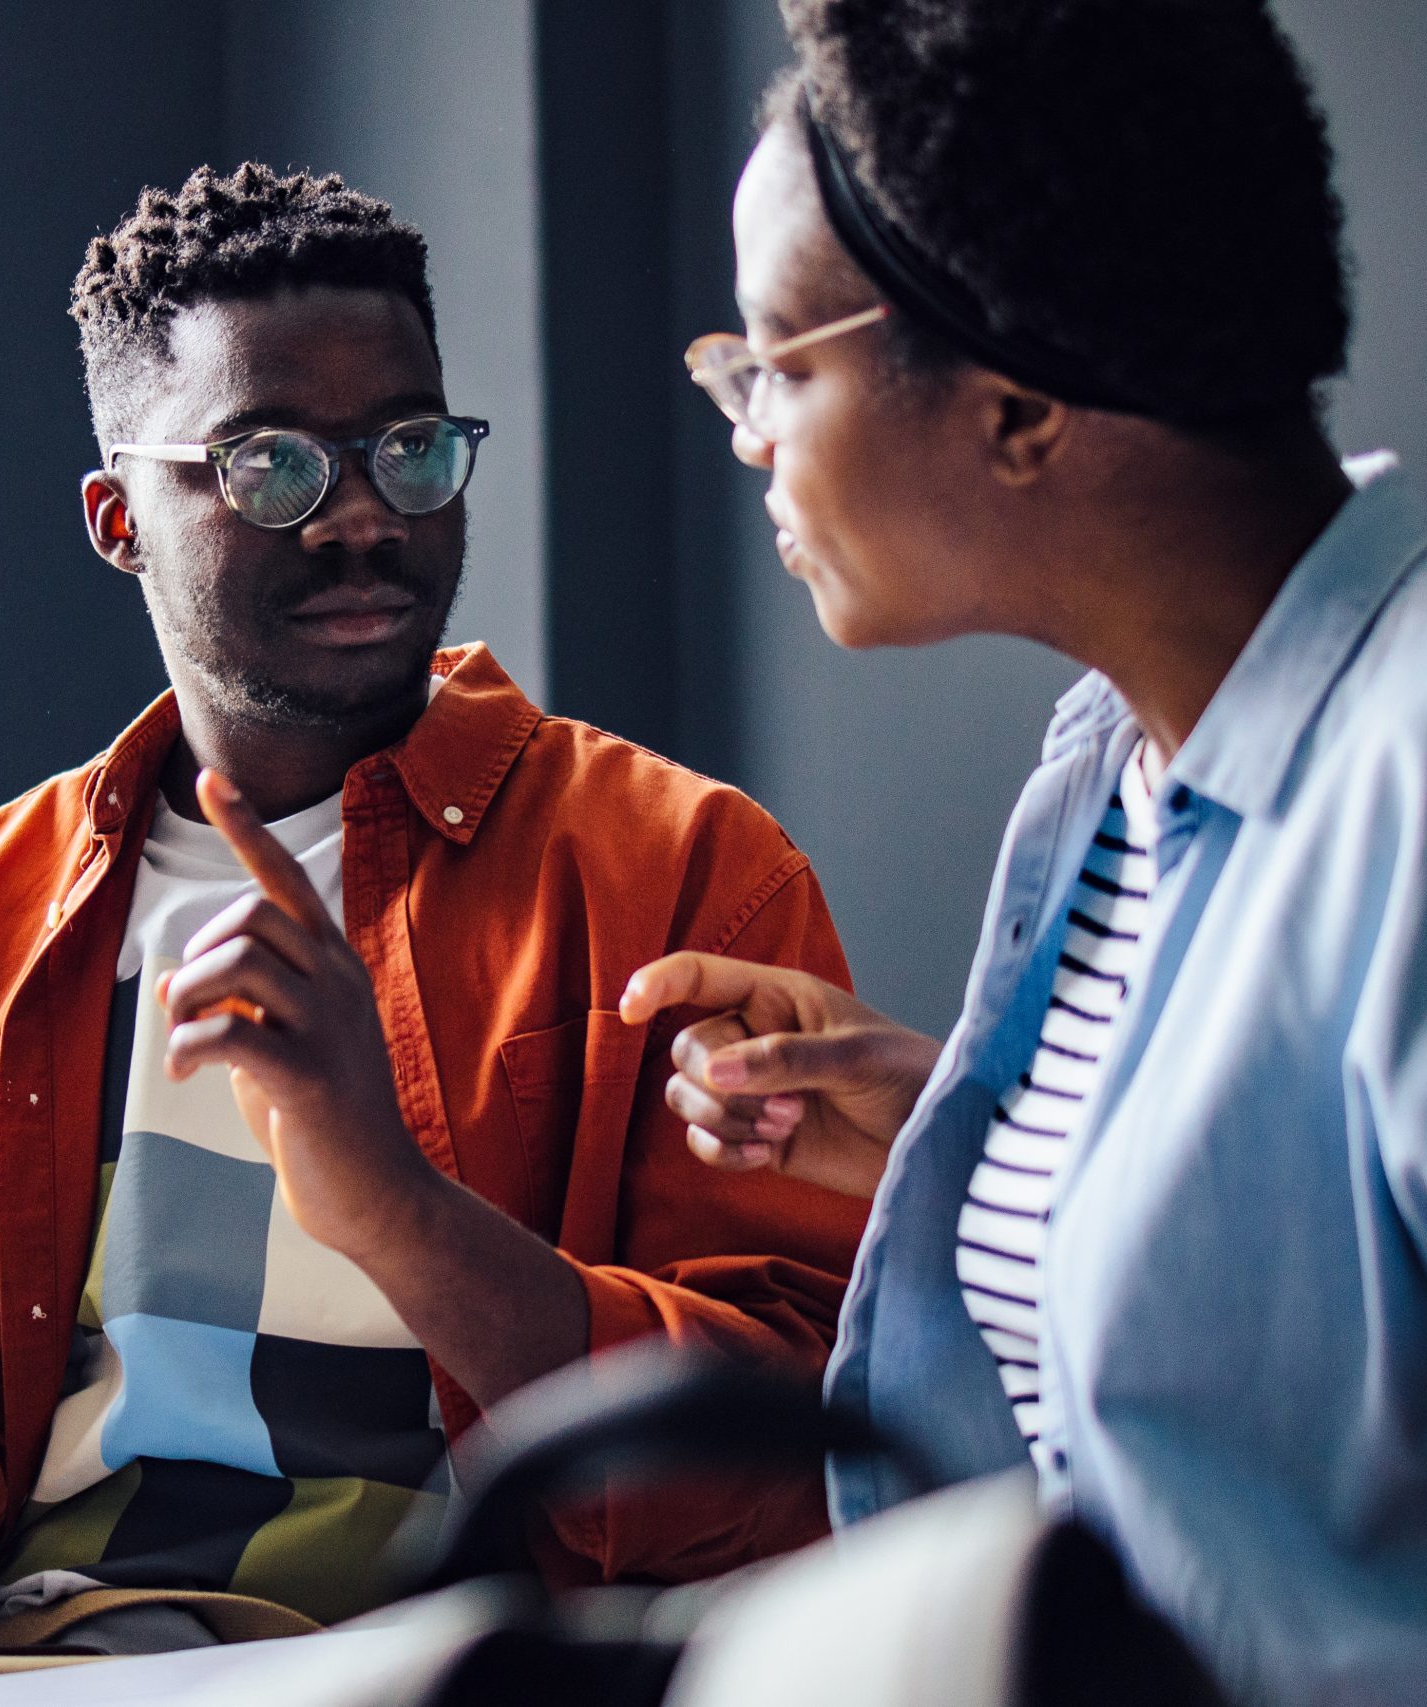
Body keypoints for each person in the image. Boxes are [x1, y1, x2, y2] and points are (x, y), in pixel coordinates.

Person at [0, 163, 872, 1646]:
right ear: (117, 518)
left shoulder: (688, 874)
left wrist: (395, 1208)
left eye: (408, 451)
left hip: (473, 1665)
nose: (356, 520)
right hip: (40, 1661)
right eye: (267, 465)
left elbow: (782, 1469)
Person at [619, 3, 1426, 1702]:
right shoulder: (1113, 768)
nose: (750, 429)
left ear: (1018, 408)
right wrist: (989, 1155)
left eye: (779, 358)